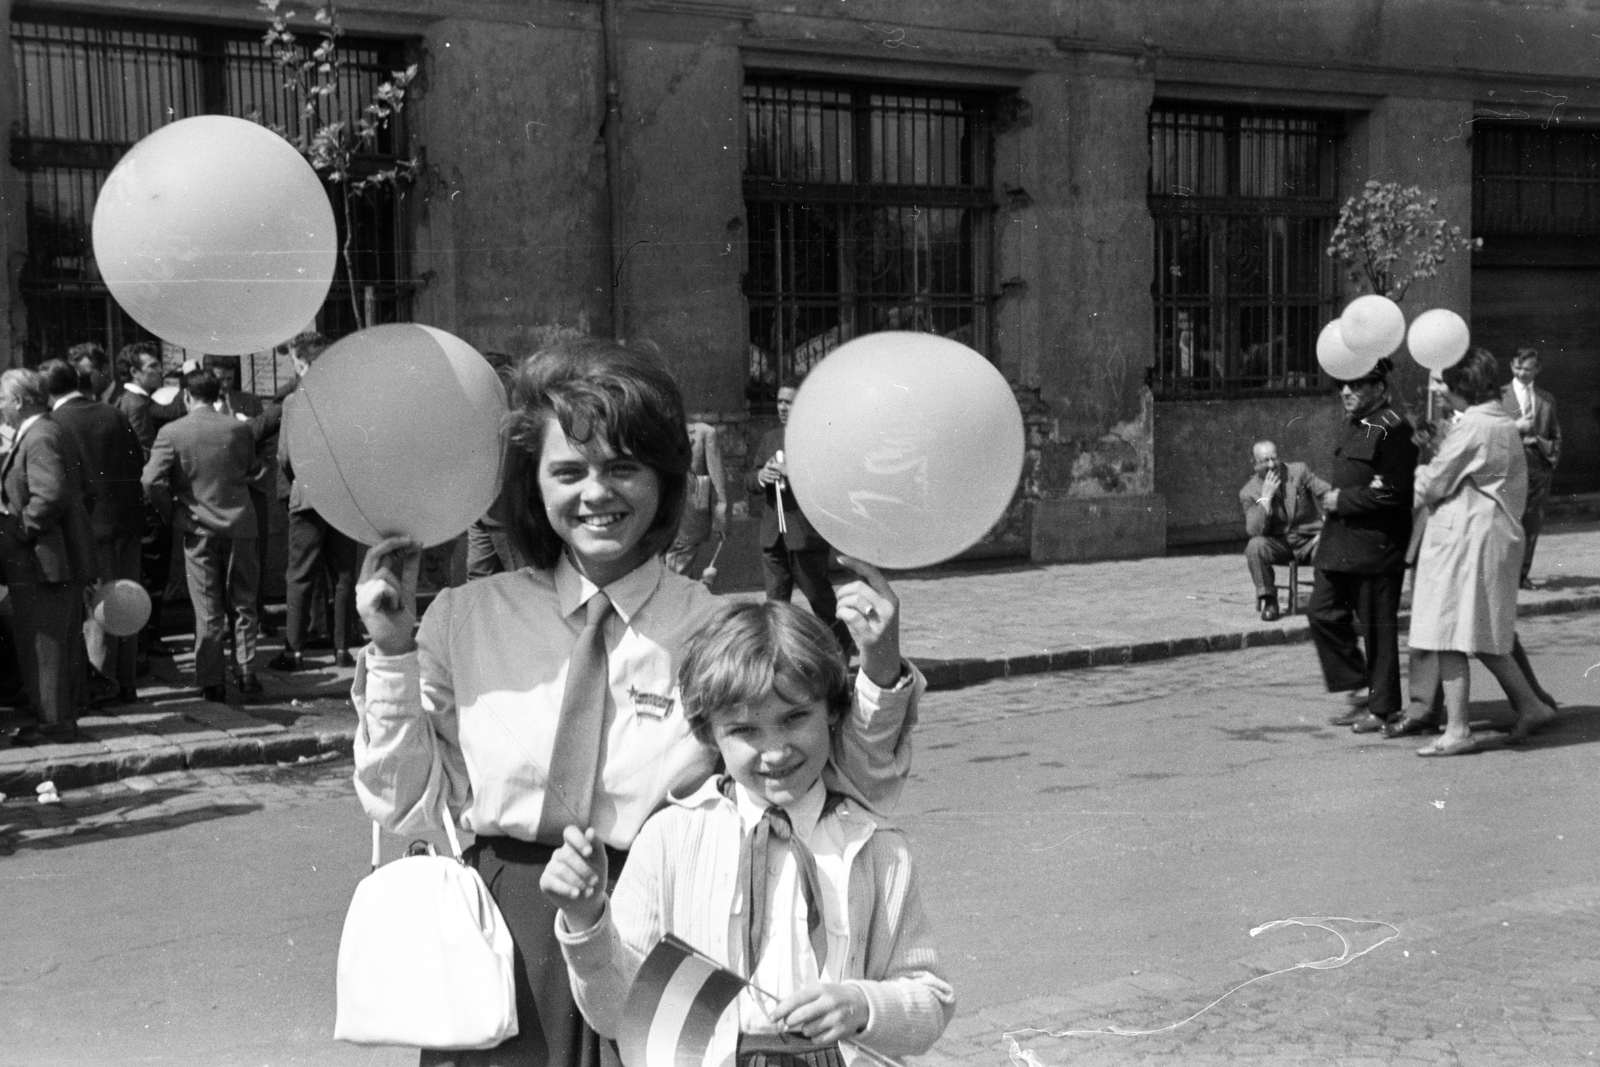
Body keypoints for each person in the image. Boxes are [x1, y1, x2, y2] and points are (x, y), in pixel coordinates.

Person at [352, 337, 921, 1067]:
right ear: (534, 483)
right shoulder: (463, 619)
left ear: (663, 480)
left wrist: (877, 667)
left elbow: (846, 784)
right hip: (508, 931)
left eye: (623, 467)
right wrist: (393, 654)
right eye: (568, 471)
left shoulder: (712, 624)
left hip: (670, 932)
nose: (597, 493)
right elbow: (399, 802)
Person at [543, 600, 954, 1066]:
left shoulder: (875, 847)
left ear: (834, 712)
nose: (775, 751)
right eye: (744, 730)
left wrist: (863, 1005)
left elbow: (931, 1000)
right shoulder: (672, 839)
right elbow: (620, 1013)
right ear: (708, 732)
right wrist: (586, 919)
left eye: (794, 718)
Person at [1388, 349, 1557, 755]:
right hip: (1490, 537)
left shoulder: (1472, 428)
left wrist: (1414, 472)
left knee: (1445, 632)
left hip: (1465, 540)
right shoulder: (1500, 421)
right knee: (1480, 635)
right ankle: (1532, 706)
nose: (1439, 391)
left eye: (1443, 383)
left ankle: (1459, 731)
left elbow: (1432, 484)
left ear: (1461, 386)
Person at [1307, 358, 1419, 733]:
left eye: (1356, 386)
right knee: (1321, 612)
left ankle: (1382, 708)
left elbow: (1396, 492)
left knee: (1378, 630)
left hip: (1376, 545)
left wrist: (1344, 501)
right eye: (1344, 386)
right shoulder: (1355, 425)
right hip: (1339, 542)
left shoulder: (1393, 430)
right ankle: (1359, 687)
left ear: (1379, 390)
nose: (1346, 392)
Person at [142, 367, 262, 702]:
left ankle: (212, 679)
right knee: (243, 601)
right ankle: (247, 671)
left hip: (198, 528)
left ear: (186, 395)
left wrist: (172, 512)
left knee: (207, 606)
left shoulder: (172, 432)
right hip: (242, 525)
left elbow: (150, 480)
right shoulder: (239, 428)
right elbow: (251, 469)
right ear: (219, 394)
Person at [40, 359, 145, 705]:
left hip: (89, 530)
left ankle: (102, 682)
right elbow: (136, 462)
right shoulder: (113, 413)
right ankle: (126, 681)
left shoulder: (53, 423)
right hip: (126, 524)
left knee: (97, 609)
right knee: (128, 603)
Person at [0, 369, 96, 743]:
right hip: (51, 558)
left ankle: (54, 723)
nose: (1, 410)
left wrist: (21, 528)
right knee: (56, 640)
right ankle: (60, 716)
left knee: (44, 644)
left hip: (42, 560)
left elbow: (50, 493)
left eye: (3, 402)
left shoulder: (40, 435)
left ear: (20, 401)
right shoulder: (47, 431)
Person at [270, 333, 358, 671]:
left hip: (307, 497)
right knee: (343, 574)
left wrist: (300, 484)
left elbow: (283, 457)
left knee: (300, 575)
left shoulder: (294, 402)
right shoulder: (349, 400)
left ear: (303, 363)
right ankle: (342, 648)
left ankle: (294, 651)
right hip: (344, 497)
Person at [749, 378, 853, 654]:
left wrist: (792, 474)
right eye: (780, 401)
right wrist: (762, 476)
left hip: (804, 535)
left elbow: (829, 482)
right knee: (776, 605)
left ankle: (843, 648)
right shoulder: (770, 438)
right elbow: (749, 480)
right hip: (773, 537)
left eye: (790, 402)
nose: (783, 407)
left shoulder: (818, 439)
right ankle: (778, 655)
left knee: (820, 599)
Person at [114, 342, 185, 659]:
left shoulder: (130, 399)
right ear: (134, 372)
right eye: (152, 367)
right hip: (149, 502)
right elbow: (146, 458)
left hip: (137, 501)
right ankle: (148, 639)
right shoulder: (138, 405)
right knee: (153, 572)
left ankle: (143, 640)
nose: (158, 371)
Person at [1239, 440, 1328, 621]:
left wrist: (1330, 518)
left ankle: (1324, 602)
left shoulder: (1298, 472)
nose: (1272, 465)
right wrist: (1265, 498)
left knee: (1328, 549)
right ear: (1255, 464)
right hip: (1281, 545)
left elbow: (1326, 491)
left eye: (1274, 458)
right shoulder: (1248, 492)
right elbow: (1255, 531)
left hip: (1310, 540)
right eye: (1265, 461)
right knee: (1255, 547)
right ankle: (1270, 600)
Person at [1501, 347, 1560, 590]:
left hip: (1537, 468)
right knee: (1506, 520)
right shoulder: (1499, 396)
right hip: (1507, 467)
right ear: (1511, 366)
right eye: (1517, 367)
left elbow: (1555, 434)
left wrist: (1548, 456)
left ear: (1537, 369)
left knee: (1532, 522)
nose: (1522, 373)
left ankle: (1522, 575)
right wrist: (1515, 427)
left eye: (1527, 369)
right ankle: (1502, 573)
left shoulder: (1546, 399)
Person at [664, 420, 728, 579]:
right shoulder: (644, 430)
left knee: (677, 580)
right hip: (653, 523)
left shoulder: (704, 433)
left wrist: (721, 519)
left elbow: (716, 480)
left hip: (687, 522)